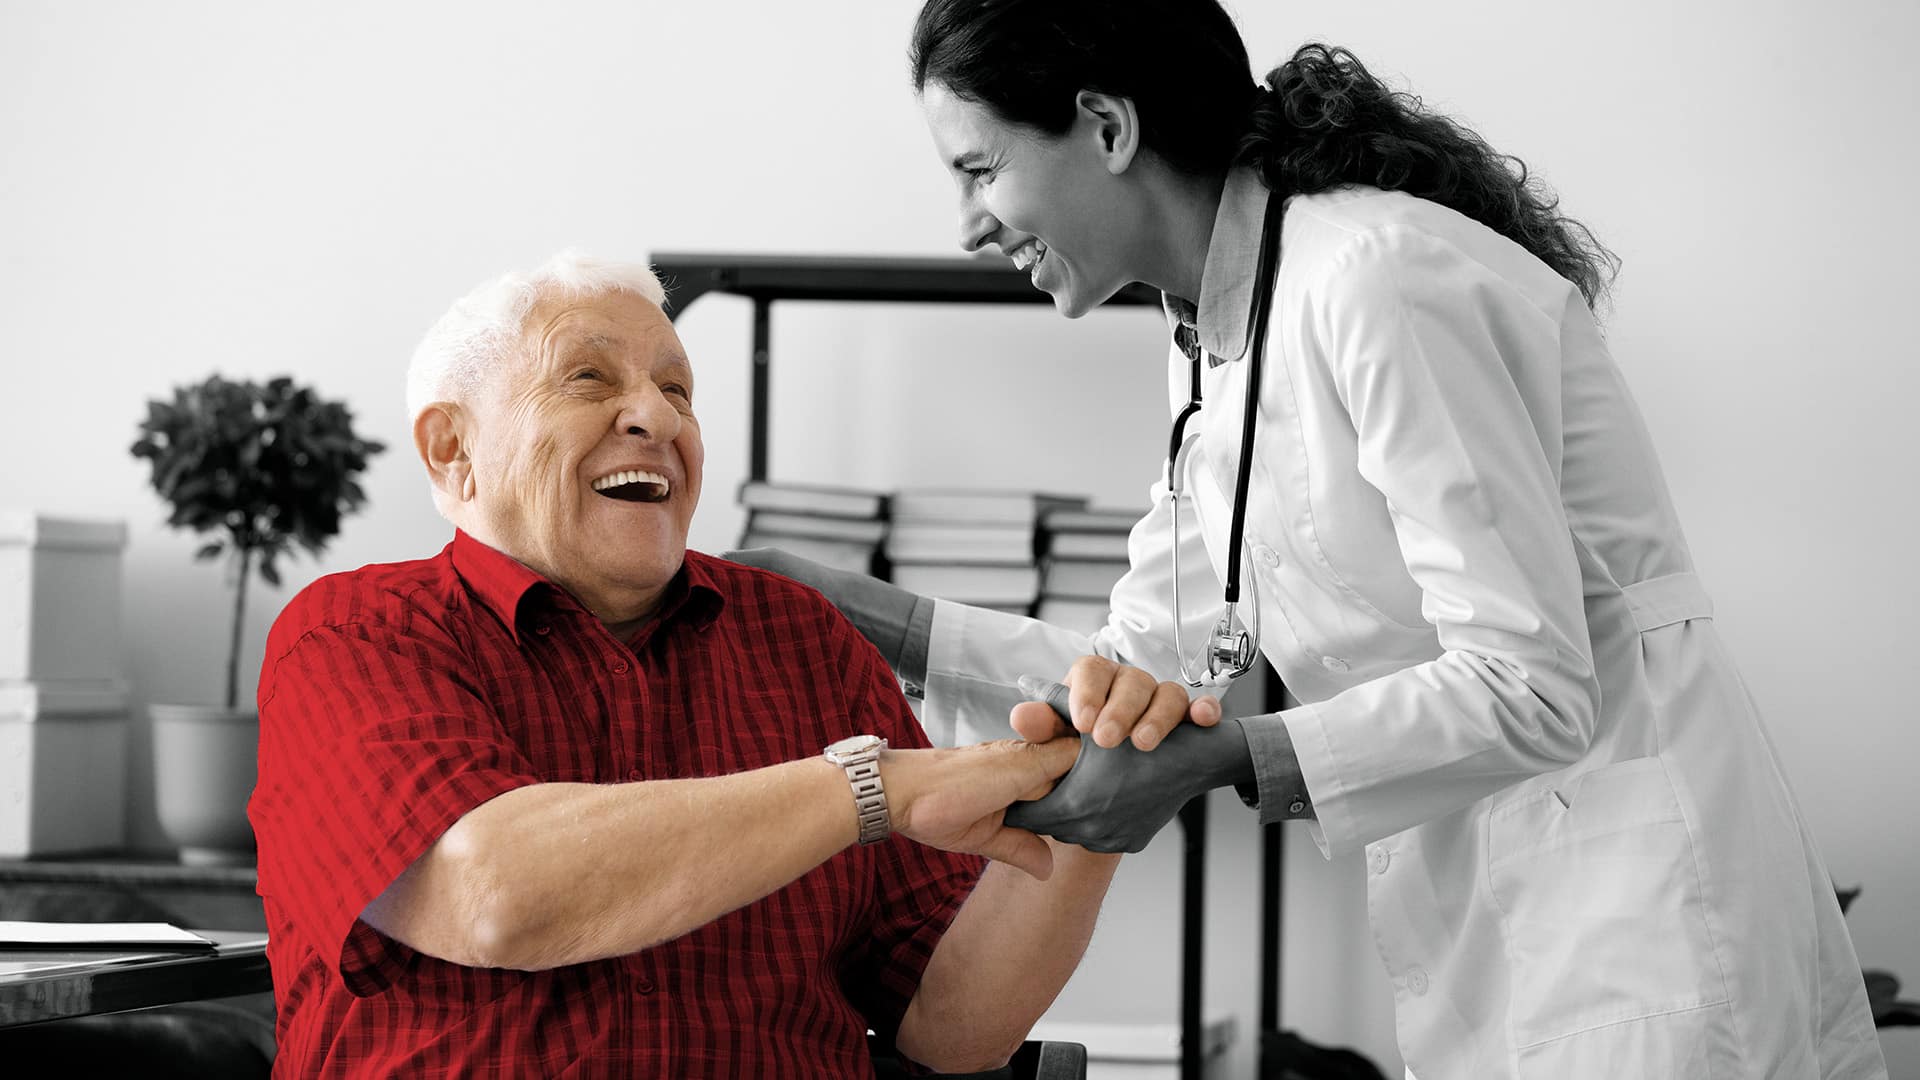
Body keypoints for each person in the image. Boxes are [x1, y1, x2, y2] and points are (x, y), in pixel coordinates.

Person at [729, 1, 1889, 1077]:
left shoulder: (1373, 280)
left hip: (1636, 917)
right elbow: (1138, 666)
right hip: (1508, 911)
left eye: (981, 169)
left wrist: (1227, 757)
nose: (971, 225)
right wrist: (846, 607)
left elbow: (1534, 686)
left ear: (1106, 126)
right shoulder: (1211, 332)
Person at [247, 251, 1119, 1078]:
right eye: (588, 379)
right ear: (451, 449)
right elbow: (494, 896)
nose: (658, 419)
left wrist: (1095, 802)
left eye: (678, 391)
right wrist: (870, 789)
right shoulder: (354, 636)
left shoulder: (804, 640)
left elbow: (952, 1030)